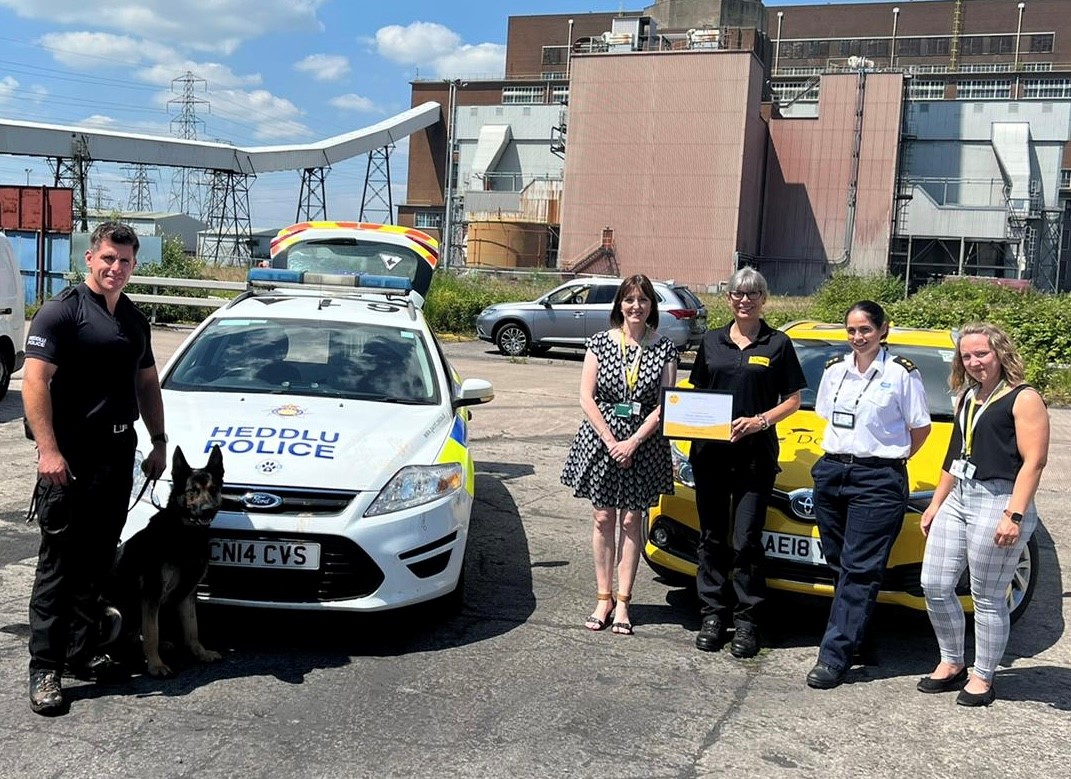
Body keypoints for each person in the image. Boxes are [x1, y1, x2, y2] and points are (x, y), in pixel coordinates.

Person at [23, 221, 168, 716]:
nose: (116, 268)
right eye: (108, 258)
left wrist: (158, 441)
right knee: (58, 566)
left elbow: (148, 385)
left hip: (117, 452)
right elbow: (34, 383)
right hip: (70, 457)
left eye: (125, 261)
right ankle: (45, 667)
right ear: (90, 258)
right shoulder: (62, 313)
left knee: (97, 561)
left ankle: (81, 653)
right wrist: (48, 451)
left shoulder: (133, 319)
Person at [917, 323, 1049, 707]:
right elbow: (954, 453)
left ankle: (983, 675)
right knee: (935, 584)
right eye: (967, 356)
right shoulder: (967, 396)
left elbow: (1034, 462)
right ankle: (952, 661)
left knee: (988, 596)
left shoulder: (1024, 398)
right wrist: (936, 503)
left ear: (1000, 353)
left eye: (982, 354)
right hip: (960, 495)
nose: (974, 362)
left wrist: (1015, 515)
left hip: (1000, 499)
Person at [805, 300, 931, 689]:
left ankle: (834, 657)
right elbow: (825, 416)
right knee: (839, 562)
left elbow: (920, 429)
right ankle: (857, 633)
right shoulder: (835, 370)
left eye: (865, 330)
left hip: (877, 479)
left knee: (860, 569)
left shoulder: (901, 374)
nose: (858, 337)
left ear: (883, 330)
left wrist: (888, 462)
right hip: (832, 472)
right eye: (852, 330)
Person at [688, 267, 806, 658]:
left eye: (753, 294)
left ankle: (748, 620)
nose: (745, 300)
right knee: (711, 537)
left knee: (747, 541)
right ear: (729, 299)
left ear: (763, 300)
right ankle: (712, 614)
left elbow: (793, 400)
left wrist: (759, 422)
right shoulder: (711, 341)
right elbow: (696, 394)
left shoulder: (778, 344)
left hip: (755, 459)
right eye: (738, 293)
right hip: (710, 457)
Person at [561, 274, 679, 636]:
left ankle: (624, 601)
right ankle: (603, 597)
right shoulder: (599, 343)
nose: (636, 307)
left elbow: (666, 403)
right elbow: (586, 396)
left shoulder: (665, 349)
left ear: (651, 307)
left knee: (631, 520)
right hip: (602, 439)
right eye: (629, 300)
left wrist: (633, 442)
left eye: (643, 300)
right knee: (602, 518)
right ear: (620, 305)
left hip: (644, 443)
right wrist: (612, 439)